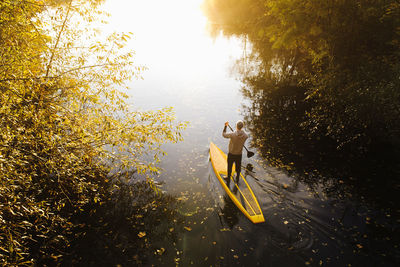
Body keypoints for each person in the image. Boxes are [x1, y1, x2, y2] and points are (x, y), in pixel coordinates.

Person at [222, 120, 248, 186]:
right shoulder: (245, 136)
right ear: (242, 127)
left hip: (231, 154)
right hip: (239, 154)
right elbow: (242, 135)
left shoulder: (232, 134)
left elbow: (224, 135)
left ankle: (228, 177)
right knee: (238, 167)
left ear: (236, 126)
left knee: (230, 166)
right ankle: (237, 178)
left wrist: (225, 126)